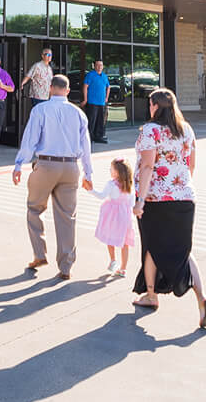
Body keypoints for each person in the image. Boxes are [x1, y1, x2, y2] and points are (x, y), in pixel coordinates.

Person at [132, 88, 206, 327]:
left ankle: (151, 295)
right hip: (185, 197)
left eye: (150, 104)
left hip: (156, 199)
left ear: (156, 106)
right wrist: (182, 187)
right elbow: (192, 164)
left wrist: (140, 200)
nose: (149, 107)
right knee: (183, 250)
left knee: (151, 247)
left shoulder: (150, 131)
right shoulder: (186, 129)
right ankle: (202, 298)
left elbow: (147, 166)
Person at [11, 74, 93, 279]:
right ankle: (66, 267)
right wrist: (88, 173)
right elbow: (86, 146)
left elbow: (30, 139)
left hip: (46, 164)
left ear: (49, 88)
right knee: (67, 216)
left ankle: (40, 253)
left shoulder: (40, 110)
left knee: (34, 208)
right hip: (71, 167)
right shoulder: (78, 113)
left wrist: (19, 164)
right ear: (67, 91)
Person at [92, 157, 135, 277]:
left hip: (112, 215)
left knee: (110, 236)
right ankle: (123, 269)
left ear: (117, 172)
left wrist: (90, 190)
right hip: (125, 216)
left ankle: (113, 260)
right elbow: (132, 203)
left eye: (111, 169)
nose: (109, 171)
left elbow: (101, 196)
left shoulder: (111, 184)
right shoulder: (130, 185)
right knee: (125, 243)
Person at [83, 58, 112, 144]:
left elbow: (108, 87)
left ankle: (99, 136)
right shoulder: (90, 75)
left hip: (102, 102)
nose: (99, 67)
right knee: (91, 121)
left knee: (100, 121)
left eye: (101, 65)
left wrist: (106, 98)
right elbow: (85, 87)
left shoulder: (104, 76)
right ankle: (89, 138)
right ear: (94, 66)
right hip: (92, 102)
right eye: (98, 65)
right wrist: (85, 99)